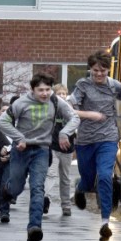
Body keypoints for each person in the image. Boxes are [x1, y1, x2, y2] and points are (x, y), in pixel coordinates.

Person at [0, 73, 79, 241]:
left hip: (42, 149)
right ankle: (8, 189)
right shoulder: (21, 103)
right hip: (21, 149)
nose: (44, 93)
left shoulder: (56, 101)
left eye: (48, 90)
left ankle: (34, 227)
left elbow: (75, 117)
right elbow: (2, 123)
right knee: (17, 187)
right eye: (40, 90)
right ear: (32, 90)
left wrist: (65, 133)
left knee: (37, 188)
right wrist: (18, 137)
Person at [72, 50, 121, 241]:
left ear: (108, 69)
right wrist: (88, 114)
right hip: (85, 140)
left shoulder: (116, 87)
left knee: (105, 176)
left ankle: (105, 223)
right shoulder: (82, 85)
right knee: (88, 178)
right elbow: (71, 109)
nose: (99, 74)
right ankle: (80, 188)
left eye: (103, 70)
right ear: (90, 70)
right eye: (95, 71)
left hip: (108, 138)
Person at [46, 84, 76, 217]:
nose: (62, 96)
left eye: (64, 93)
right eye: (59, 93)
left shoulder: (71, 109)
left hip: (67, 148)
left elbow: (76, 125)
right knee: (51, 174)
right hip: (52, 146)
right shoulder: (51, 107)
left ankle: (66, 205)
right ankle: (44, 199)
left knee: (65, 177)